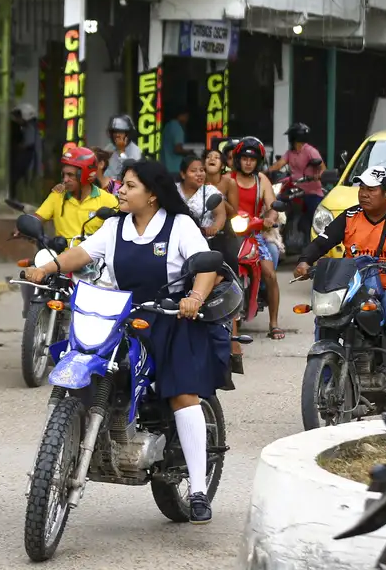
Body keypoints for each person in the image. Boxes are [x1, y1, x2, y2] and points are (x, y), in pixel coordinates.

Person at [22, 160, 232, 524]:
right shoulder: (114, 226)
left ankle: (198, 489)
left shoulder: (179, 225)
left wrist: (194, 298)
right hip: (121, 316)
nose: (120, 190)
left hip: (170, 318)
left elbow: (205, 266)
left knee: (182, 395)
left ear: (152, 195)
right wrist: (48, 267)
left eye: (130, 186)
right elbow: (83, 254)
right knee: (88, 364)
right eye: (122, 185)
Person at [293, 166, 386, 395]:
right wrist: (305, 261)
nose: (364, 193)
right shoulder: (350, 216)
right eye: (362, 188)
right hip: (355, 284)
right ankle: (325, 375)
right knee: (327, 316)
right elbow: (323, 241)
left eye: (371, 189)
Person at [19, 147, 119, 318]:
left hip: (93, 266)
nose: (65, 179)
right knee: (34, 270)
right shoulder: (57, 196)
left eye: (71, 175)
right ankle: (32, 313)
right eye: (64, 174)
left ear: (87, 174)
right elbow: (38, 216)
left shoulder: (108, 200)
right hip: (59, 257)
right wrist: (27, 227)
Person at [231, 137, 284, 340]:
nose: (248, 162)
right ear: (238, 159)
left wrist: (270, 218)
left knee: (269, 273)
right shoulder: (229, 178)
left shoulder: (261, 180)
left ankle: (274, 323)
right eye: (244, 158)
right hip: (229, 234)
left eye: (252, 159)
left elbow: (273, 206)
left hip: (253, 233)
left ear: (258, 162)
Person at [203, 147, 245, 375]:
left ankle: (234, 340)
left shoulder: (229, 183)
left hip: (224, 237)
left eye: (216, 157)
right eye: (208, 157)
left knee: (229, 286)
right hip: (201, 238)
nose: (211, 160)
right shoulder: (194, 185)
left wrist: (217, 198)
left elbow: (233, 211)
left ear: (222, 165)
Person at [267, 123, 325, 237]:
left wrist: (316, 176)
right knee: (276, 202)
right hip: (295, 188)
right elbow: (279, 165)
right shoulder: (290, 153)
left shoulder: (310, 151)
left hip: (311, 191)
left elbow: (322, 168)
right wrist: (264, 172)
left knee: (316, 218)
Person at [105, 114, 142, 180]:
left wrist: (122, 151)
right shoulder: (110, 148)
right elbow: (107, 174)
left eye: (120, 132)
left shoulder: (136, 152)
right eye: (115, 132)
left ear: (128, 134)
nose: (117, 135)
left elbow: (129, 175)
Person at [162, 109, 190, 175]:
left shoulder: (168, 126)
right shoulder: (177, 127)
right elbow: (178, 149)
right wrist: (192, 153)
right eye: (187, 117)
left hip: (165, 166)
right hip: (175, 168)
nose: (187, 120)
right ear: (182, 115)